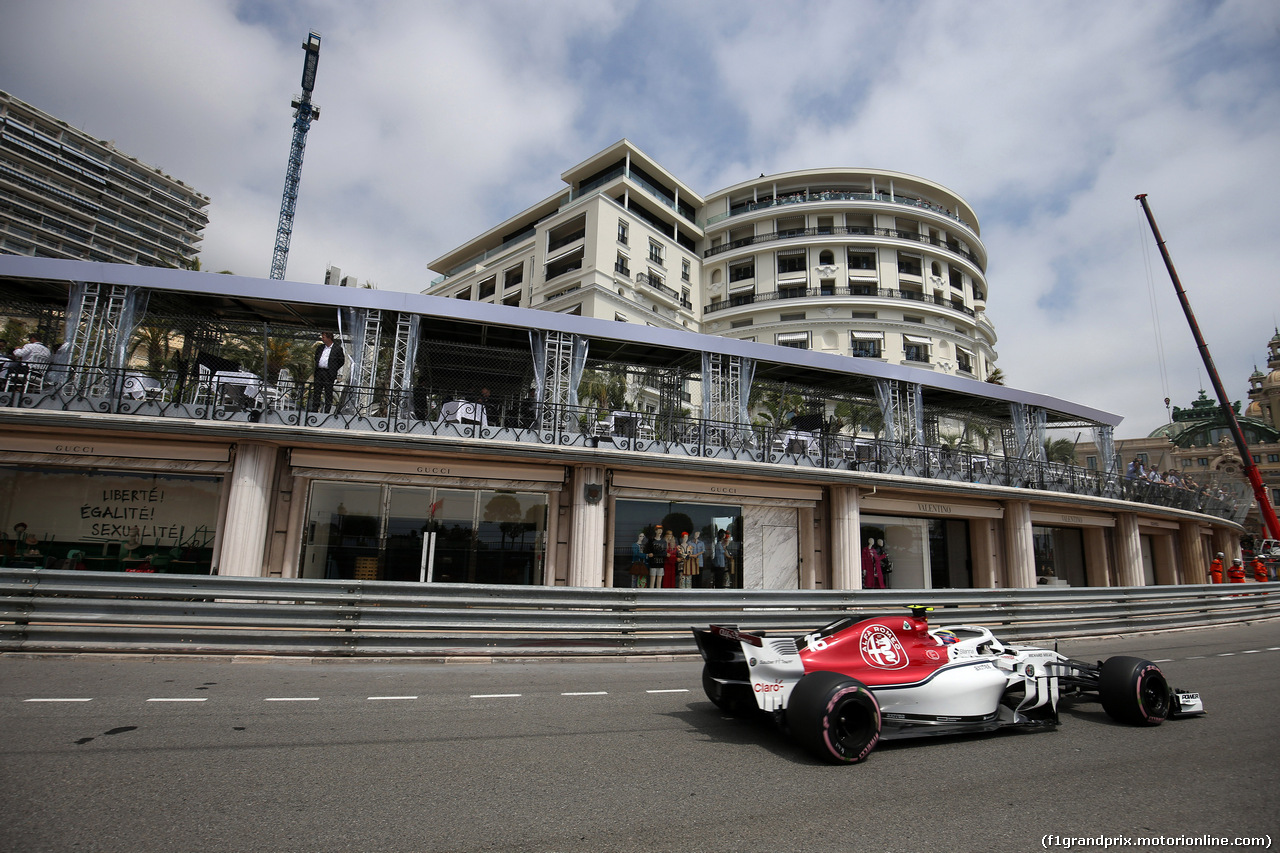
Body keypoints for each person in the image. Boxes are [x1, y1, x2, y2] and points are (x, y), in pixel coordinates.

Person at [311, 332, 345, 413]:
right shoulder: (321, 347)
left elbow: (341, 361)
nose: (322, 339)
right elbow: (316, 357)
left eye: (323, 337)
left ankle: (327, 409)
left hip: (329, 373)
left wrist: (333, 368)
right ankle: (315, 408)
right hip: (320, 371)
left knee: (328, 391)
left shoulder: (337, 348)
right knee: (317, 391)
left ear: (329, 338)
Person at [647, 523, 666, 589]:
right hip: (653, 563)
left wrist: (654, 554)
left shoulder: (663, 542)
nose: (660, 531)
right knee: (652, 580)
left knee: (659, 581)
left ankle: (658, 594)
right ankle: (651, 593)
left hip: (661, 563)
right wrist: (650, 554)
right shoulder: (651, 541)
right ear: (655, 531)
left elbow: (664, 553)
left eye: (661, 530)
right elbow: (648, 552)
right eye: (658, 530)